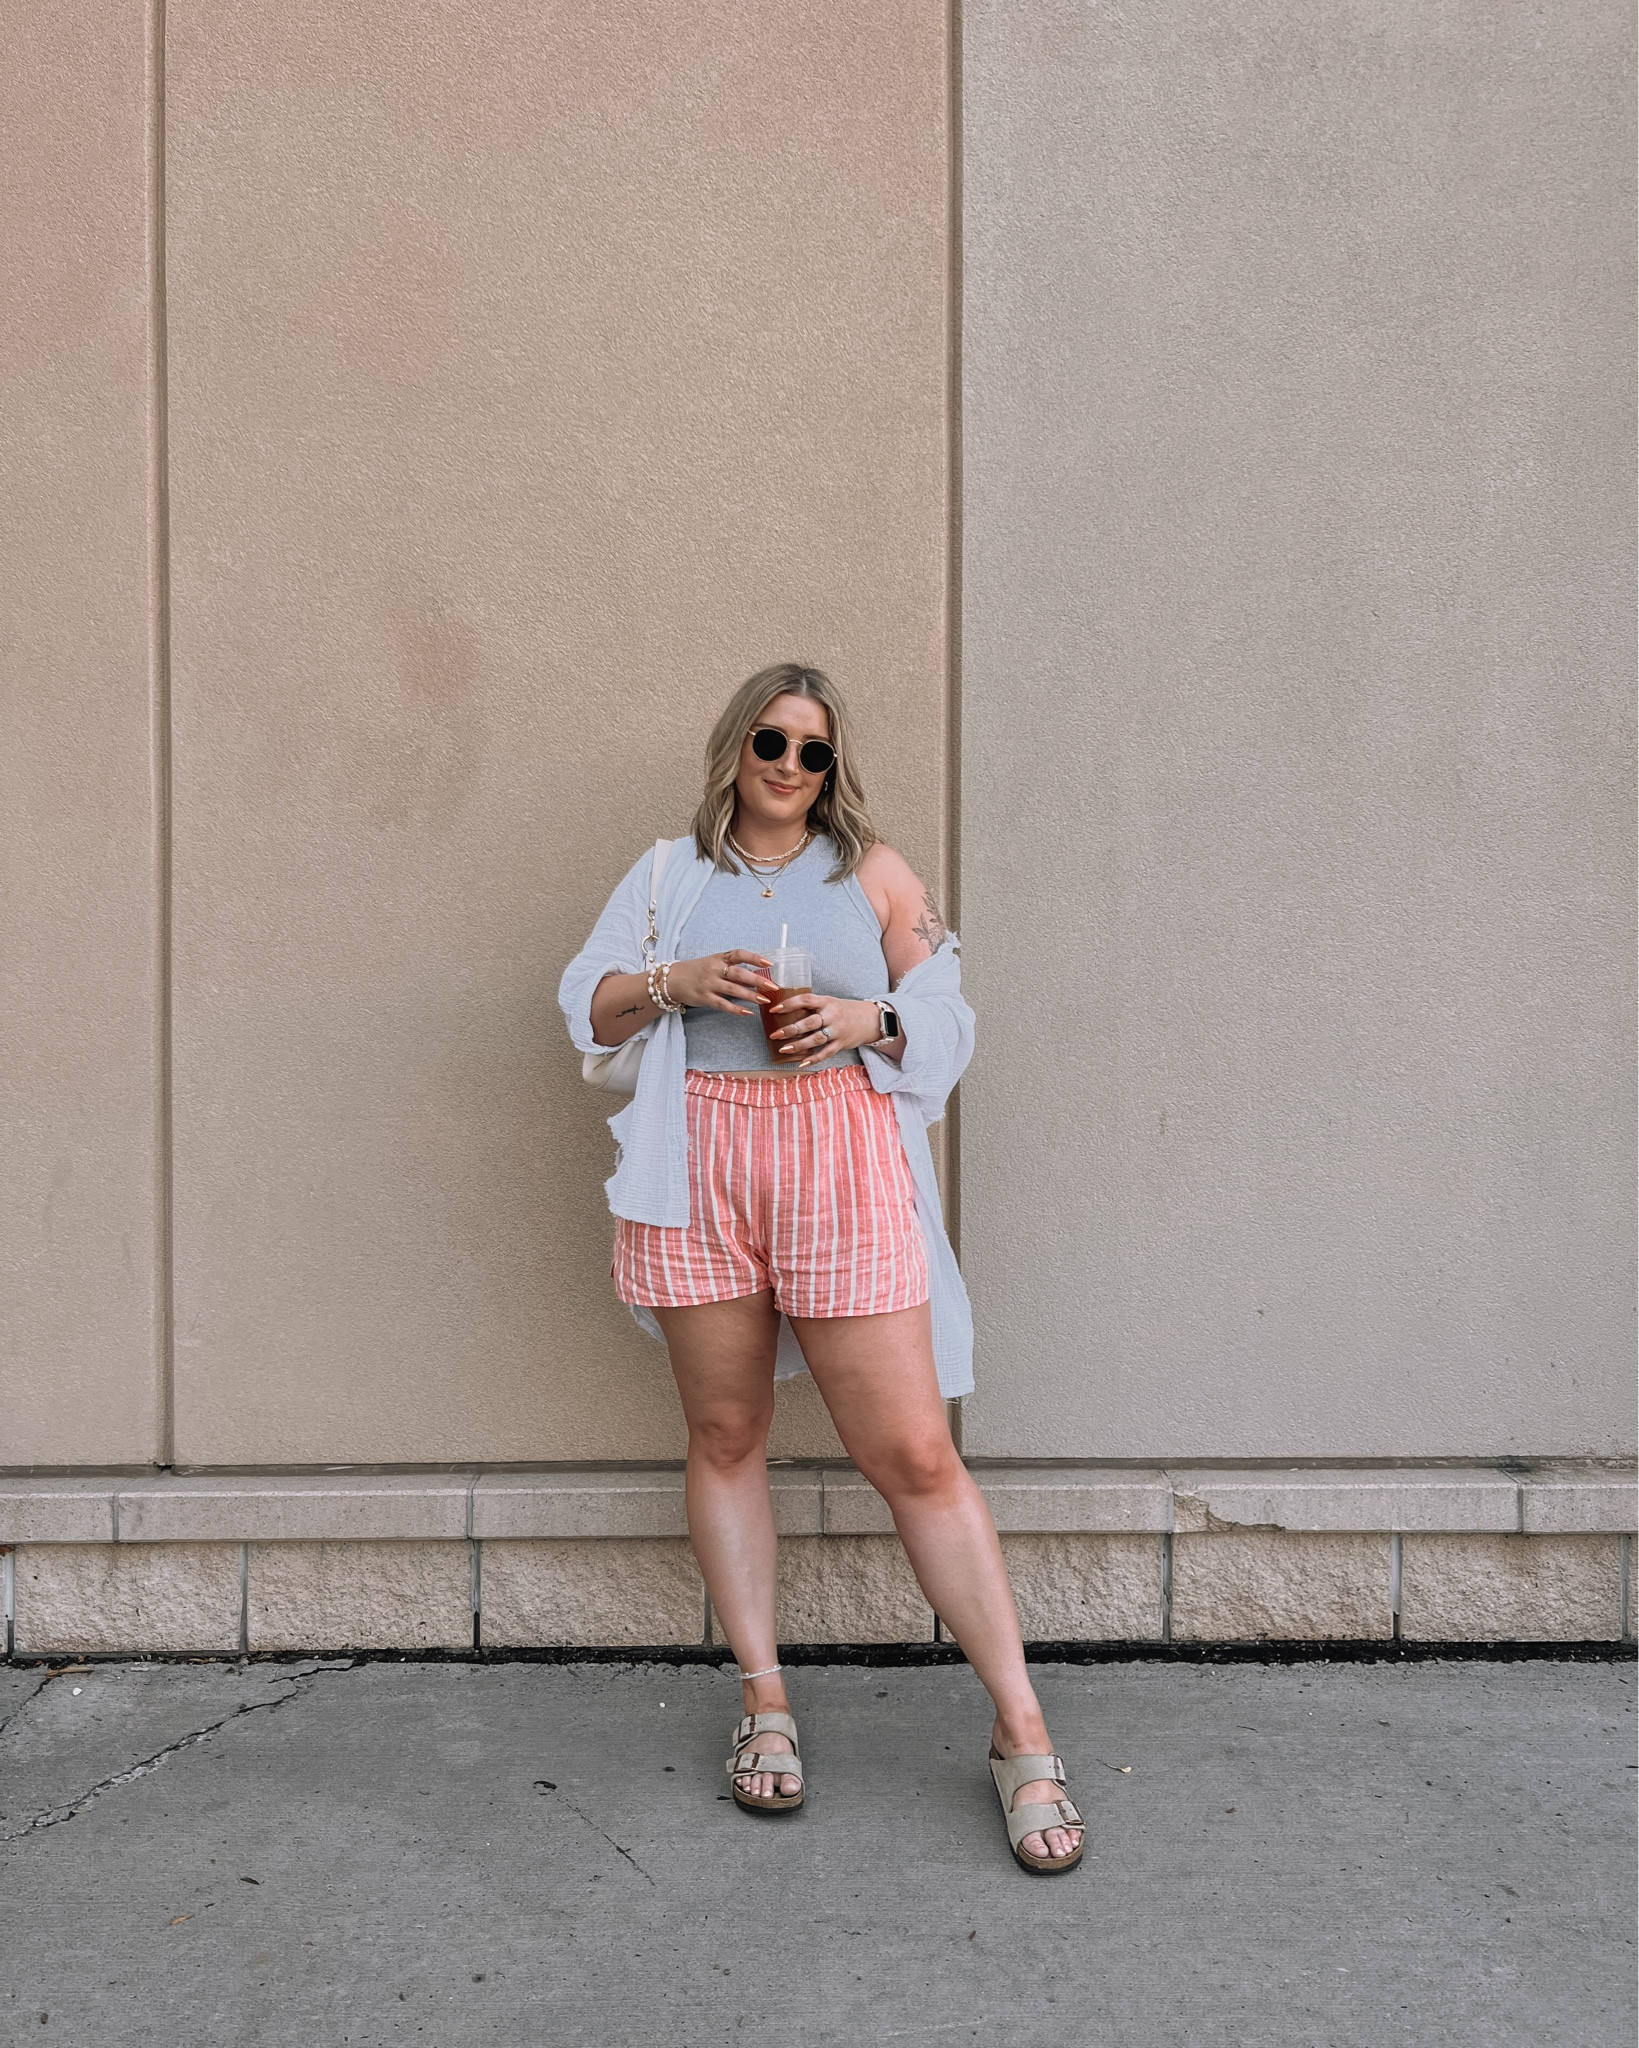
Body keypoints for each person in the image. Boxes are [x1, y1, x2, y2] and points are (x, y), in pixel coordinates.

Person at [558, 662, 1084, 1874]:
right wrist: (673, 984)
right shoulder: (664, 873)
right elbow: (585, 1003)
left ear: (834, 771)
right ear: (733, 745)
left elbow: (946, 1013)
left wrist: (866, 1021)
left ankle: (1020, 1731)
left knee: (911, 1452)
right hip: (699, 1169)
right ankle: (765, 1696)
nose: (790, 767)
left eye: (814, 752)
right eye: (771, 740)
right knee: (727, 1431)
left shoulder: (878, 874)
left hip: (838, 1161)